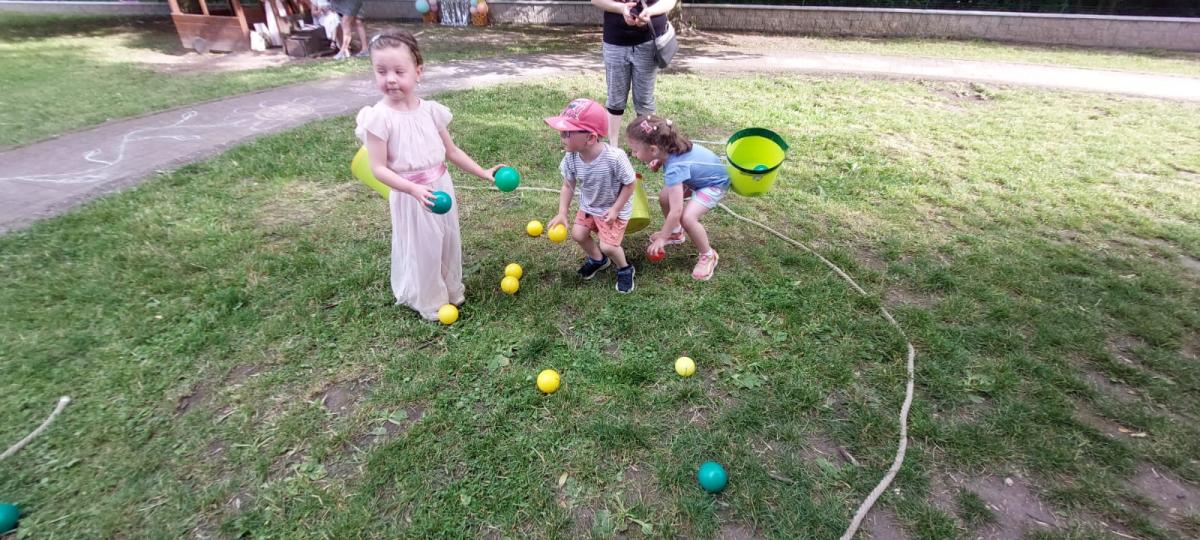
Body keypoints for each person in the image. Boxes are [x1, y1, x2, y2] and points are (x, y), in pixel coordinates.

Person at [355, 30, 503, 320]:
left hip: (440, 185)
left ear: (418, 72)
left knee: (446, 238)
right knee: (423, 246)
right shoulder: (378, 118)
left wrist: (483, 172)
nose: (390, 79)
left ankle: (450, 288)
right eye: (381, 71)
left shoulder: (431, 112)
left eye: (399, 71)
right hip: (412, 194)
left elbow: (452, 152)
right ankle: (431, 300)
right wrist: (413, 190)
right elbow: (378, 168)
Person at [545, 98, 639, 293]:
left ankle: (625, 268)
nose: (561, 135)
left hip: (613, 210)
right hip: (589, 207)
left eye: (567, 132)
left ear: (590, 138)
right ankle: (598, 259)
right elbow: (567, 185)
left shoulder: (615, 158)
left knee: (609, 247)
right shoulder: (571, 157)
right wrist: (562, 213)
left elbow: (631, 184)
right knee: (578, 234)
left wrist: (616, 209)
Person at [626, 114, 729, 281]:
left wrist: (662, 238)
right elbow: (673, 159)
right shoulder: (669, 146)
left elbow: (676, 211)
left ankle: (708, 254)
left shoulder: (675, 168)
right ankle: (675, 233)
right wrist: (659, 161)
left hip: (713, 184)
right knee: (664, 197)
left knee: (687, 218)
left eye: (636, 150)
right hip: (695, 177)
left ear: (653, 149)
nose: (633, 154)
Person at [590, 0, 676, 147]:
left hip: (649, 40)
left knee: (645, 100)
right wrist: (621, 8)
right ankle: (612, 147)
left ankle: (647, 145)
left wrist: (650, 12)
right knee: (615, 98)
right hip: (615, 40)